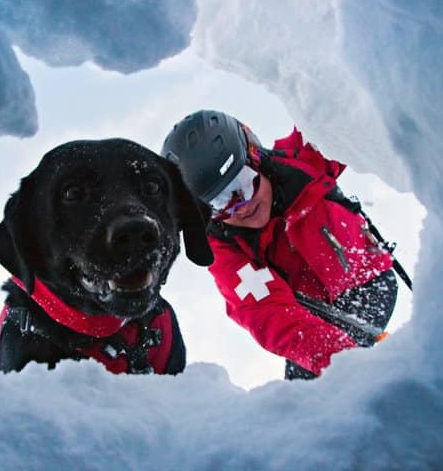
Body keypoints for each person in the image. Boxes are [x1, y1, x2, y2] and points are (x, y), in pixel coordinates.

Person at [161, 110, 399, 379]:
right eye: (218, 204)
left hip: (369, 285)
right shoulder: (227, 249)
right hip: (314, 317)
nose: (239, 206)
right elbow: (267, 312)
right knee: (306, 391)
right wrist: (343, 361)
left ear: (256, 157)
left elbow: (338, 111)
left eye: (241, 184)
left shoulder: (302, 160)